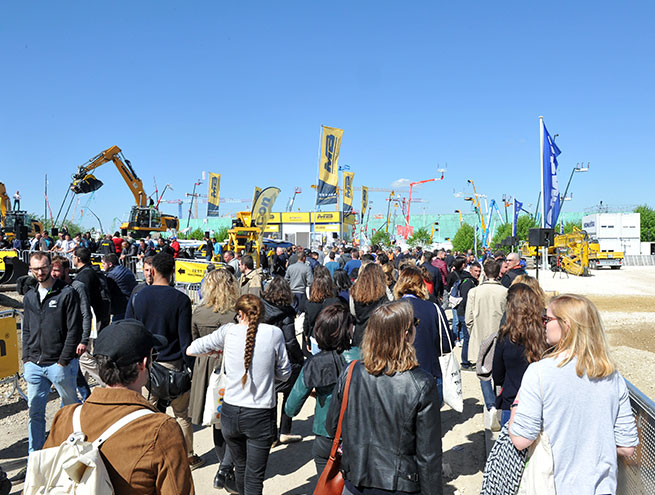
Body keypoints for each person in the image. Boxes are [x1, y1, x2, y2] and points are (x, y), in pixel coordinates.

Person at [43, 319, 195, 495]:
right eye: (154, 356)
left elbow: (44, 479)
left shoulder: (66, 416)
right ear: (143, 364)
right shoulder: (161, 429)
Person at [509, 294, 639, 493]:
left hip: (553, 487)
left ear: (566, 324)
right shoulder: (613, 377)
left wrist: (516, 406)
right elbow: (626, 447)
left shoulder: (540, 372)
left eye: (547, 319)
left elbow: (521, 439)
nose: (543, 324)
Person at [326, 300, 443, 495]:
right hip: (398, 485)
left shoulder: (352, 371)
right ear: (406, 334)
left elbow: (332, 426)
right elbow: (428, 456)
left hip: (355, 481)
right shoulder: (422, 383)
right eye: (415, 323)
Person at [186, 294, 291, 495]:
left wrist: (212, 353)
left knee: (241, 469)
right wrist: (268, 377)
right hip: (259, 415)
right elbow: (285, 373)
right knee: (254, 477)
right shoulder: (274, 333)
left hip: (230, 414)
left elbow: (191, 349)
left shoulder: (228, 332)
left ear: (239, 314)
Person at [125, 253, 204, 471]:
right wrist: (190, 366)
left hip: (147, 364)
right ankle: (188, 456)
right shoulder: (180, 299)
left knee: (148, 414)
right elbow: (185, 338)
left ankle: (147, 455)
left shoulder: (140, 297)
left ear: (153, 270)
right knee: (182, 415)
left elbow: (133, 329)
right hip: (174, 364)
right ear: (172, 271)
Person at [285, 303, 360, 474]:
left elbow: (291, 408)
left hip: (326, 434)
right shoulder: (364, 357)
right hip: (359, 433)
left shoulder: (313, 364)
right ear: (347, 330)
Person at [23, 252, 81, 454]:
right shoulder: (29, 296)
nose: (40, 272)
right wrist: (26, 358)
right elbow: (27, 328)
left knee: (69, 410)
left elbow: (74, 328)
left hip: (59, 364)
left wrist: (64, 360)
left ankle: (70, 453)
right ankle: (35, 457)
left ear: (50, 266)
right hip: (35, 365)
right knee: (35, 413)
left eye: (43, 267)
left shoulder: (66, 293)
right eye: (36, 268)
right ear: (30, 269)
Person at [188, 269, 239, 492]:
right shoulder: (237, 313)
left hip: (207, 367)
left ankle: (223, 466)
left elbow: (195, 340)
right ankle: (230, 466)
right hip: (232, 365)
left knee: (216, 419)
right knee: (235, 419)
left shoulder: (199, 312)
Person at [492, 283, 548, 427]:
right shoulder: (545, 334)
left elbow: (497, 375)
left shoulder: (506, 336)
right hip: (540, 402)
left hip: (512, 401)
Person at [394, 265, 452, 403]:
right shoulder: (434, 309)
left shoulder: (392, 310)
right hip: (429, 370)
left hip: (399, 372)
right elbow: (447, 343)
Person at [261, 276, 304, 444]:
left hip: (265, 356)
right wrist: (300, 358)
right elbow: (291, 341)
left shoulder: (262, 309)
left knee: (270, 397)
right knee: (288, 394)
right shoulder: (286, 313)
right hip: (284, 358)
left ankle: (271, 435)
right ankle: (285, 430)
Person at [464, 259, 507, 412]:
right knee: (499, 369)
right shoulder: (505, 291)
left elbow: (468, 318)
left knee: (483, 370)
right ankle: (497, 399)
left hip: (480, 335)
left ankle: (490, 404)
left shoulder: (474, 292)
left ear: (484, 273)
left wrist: (473, 333)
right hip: (499, 335)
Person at [51, 256, 95, 401]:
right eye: (52, 270)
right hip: (58, 337)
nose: (53, 274)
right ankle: (83, 400)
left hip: (74, 337)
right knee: (73, 373)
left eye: (57, 270)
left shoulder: (78, 287)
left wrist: (83, 339)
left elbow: (86, 314)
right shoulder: (54, 288)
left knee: (72, 370)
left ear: (66, 270)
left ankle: (81, 402)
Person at [350, 262, 390, 347]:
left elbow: (353, 312)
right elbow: (390, 304)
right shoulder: (383, 291)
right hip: (378, 335)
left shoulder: (355, 290)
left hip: (360, 333)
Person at [303, 273, 342, 355]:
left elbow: (307, 324)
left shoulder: (309, 304)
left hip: (316, 337)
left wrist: (307, 340)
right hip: (332, 337)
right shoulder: (335, 302)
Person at [72, 246, 110, 330]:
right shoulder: (92, 270)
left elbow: (84, 297)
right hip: (97, 313)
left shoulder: (84, 275)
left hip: (92, 316)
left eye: (73, 257)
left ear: (78, 259)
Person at [457, 261, 481, 369]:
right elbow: (466, 300)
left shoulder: (471, 281)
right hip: (465, 313)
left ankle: (466, 361)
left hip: (465, 312)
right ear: (470, 271)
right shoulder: (468, 282)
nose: (478, 273)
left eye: (479, 271)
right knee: (468, 338)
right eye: (476, 271)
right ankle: (465, 362)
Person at [103, 253, 137, 321]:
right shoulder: (126, 270)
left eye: (103, 264)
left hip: (120, 305)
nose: (102, 266)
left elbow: (108, 290)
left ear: (110, 264)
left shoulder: (112, 275)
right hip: (131, 301)